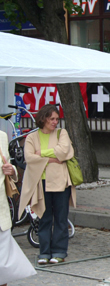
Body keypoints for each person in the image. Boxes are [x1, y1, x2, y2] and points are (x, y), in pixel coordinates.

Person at [19, 104, 77, 265]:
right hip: (41, 183)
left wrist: (42, 154)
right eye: (52, 119)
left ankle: (59, 252)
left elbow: (64, 151)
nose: (55, 122)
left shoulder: (62, 133)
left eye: (57, 119)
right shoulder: (32, 137)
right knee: (44, 219)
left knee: (60, 218)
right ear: (43, 119)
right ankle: (44, 253)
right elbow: (29, 158)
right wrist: (52, 158)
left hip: (61, 183)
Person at [0, 130, 36, 286]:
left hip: (1, 213)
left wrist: (12, 171)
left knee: (3, 265)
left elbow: (8, 168)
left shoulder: (1, 136)